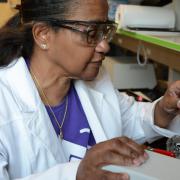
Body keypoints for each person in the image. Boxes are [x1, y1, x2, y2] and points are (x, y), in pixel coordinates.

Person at [0, 0, 180, 179]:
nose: (105, 46)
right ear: (43, 34)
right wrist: (76, 175)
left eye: (105, 31)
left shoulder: (96, 78)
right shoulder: (5, 100)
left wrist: (164, 110)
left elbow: (127, 119)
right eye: (92, 33)